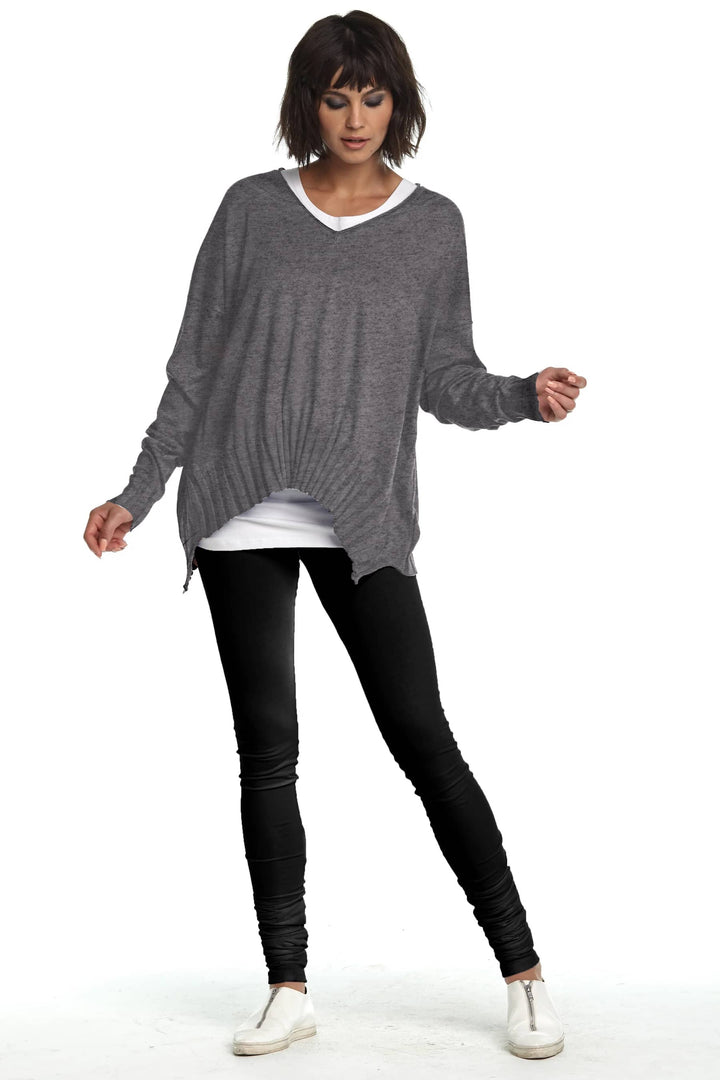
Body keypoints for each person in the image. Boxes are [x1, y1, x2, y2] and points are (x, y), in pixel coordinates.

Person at [84, 9, 586, 1061]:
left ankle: (525, 974)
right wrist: (138, 489)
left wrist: (518, 396)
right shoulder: (250, 209)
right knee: (268, 755)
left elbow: (443, 375)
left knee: (424, 740)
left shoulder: (433, 225)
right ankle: (288, 986)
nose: (355, 116)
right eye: (335, 96)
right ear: (307, 104)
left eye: (373, 96)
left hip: (362, 517)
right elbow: (195, 366)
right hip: (238, 508)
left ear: (398, 104)